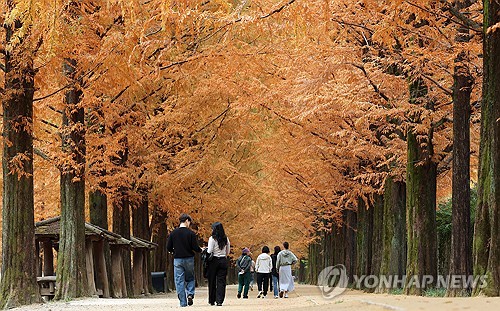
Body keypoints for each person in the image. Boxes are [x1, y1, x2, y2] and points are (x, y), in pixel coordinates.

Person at [166, 214, 202, 307]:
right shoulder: (191, 233)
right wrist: (201, 250)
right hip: (189, 258)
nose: (189, 224)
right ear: (186, 221)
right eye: (189, 222)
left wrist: (173, 251)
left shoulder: (173, 233)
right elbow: (195, 247)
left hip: (178, 259)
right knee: (190, 278)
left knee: (179, 281)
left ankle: (183, 302)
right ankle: (190, 294)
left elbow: (168, 247)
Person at [206, 222, 230, 306]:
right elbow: (228, 251)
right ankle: (219, 300)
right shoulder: (225, 239)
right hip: (223, 260)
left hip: (214, 261)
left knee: (212, 280)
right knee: (221, 281)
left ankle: (212, 300)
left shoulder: (212, 239)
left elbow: (209, 251)